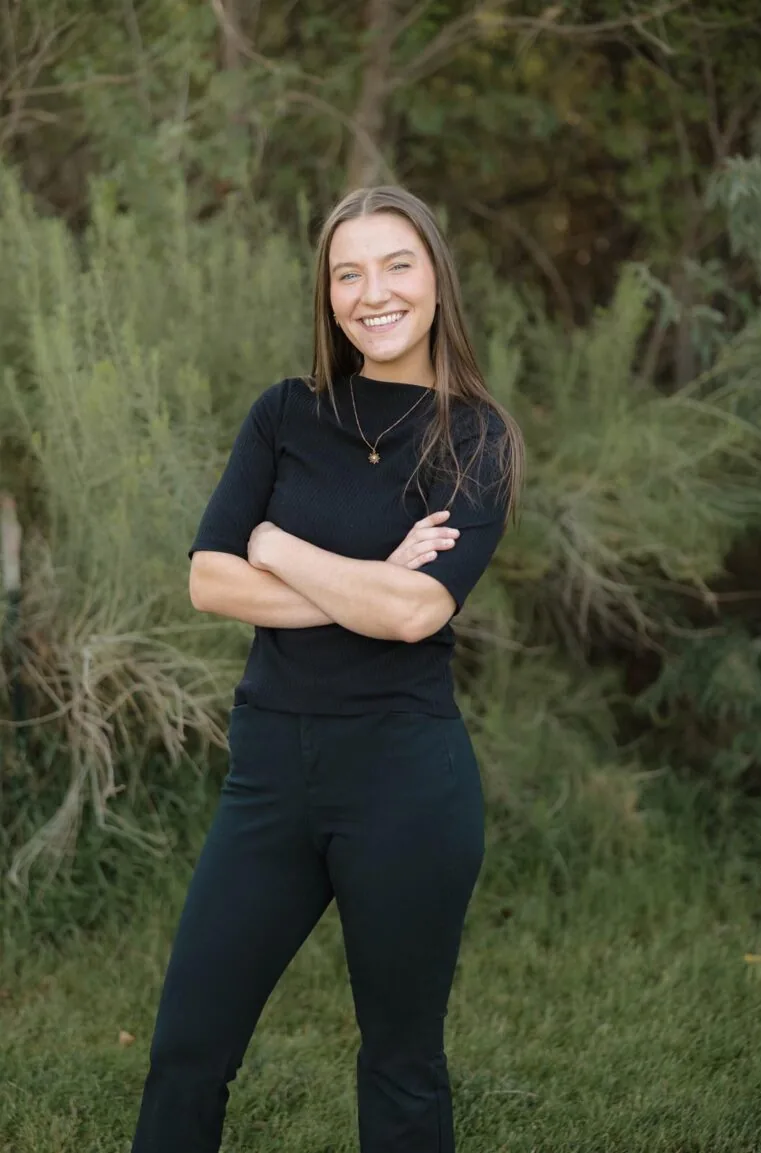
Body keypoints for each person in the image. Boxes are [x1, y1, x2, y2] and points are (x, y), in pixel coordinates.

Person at [131, 184, 525, 1153]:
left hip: (405, 778)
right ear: (327, 293)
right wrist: (361, 580)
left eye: (396, 264)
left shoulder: (476, 435)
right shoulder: (284, 414)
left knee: (401, 1061)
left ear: (436, 277)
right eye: (347, 272)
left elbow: (413, 611)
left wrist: (275, 539)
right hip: (271, 774)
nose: (372, 291)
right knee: (187, 1047)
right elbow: (209, 583)